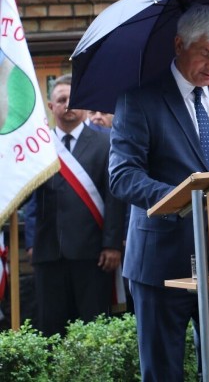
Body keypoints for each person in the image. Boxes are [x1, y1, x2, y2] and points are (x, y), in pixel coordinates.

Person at [109, 5, 209, 381]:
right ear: (179, 44)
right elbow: (122, 176)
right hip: (162, 260)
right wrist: (184, 195)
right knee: (163, 373)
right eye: (205, 54)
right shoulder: (139, 100)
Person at [24, 74, 124, 337]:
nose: (68, 104)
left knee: (93, 331)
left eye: (73, 99)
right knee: (51, 331)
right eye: (61, 99)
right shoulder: (39, 147)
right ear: (51, 106)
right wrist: (31, 242)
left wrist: (112, 244)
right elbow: (29, 196)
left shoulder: (106, 142)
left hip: (93, 254)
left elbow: (114, 197)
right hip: (48, 253)